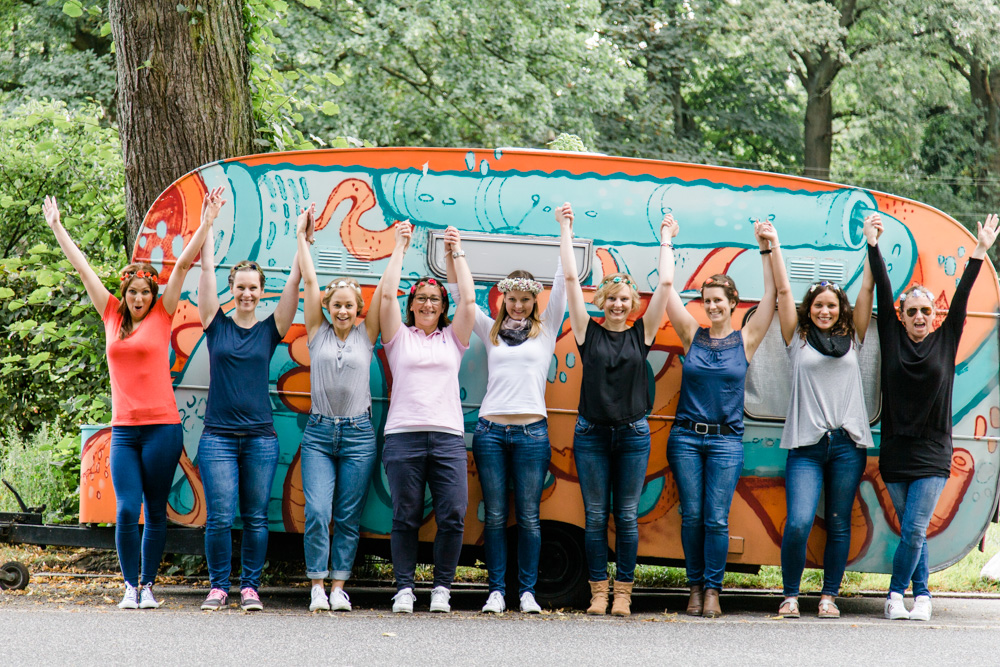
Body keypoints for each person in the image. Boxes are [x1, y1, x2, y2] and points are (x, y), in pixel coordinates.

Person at [43, 192, 217, 610]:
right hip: (124, 429)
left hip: (162, 428)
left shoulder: (163, 313)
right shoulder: (110, 314)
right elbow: (82, 269)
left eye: (144, 292)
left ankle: (148, 586)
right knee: (126, 509)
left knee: (155, 510)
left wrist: (207, 220)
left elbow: (181, 266)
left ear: (152, 294)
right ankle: (128, 586)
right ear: (125, 292)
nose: (139, 298)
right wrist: (57, 227)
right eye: (133, 292)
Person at [871, 212, 999, 622]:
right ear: (902, 315)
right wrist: (873, 245)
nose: (920, 317)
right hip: (894, 452)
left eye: (926, 311)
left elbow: (961, 296)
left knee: (912, 528)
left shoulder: (946, 339)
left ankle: (894, 594)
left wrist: (979, 251)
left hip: (932, 452)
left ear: (934, 315)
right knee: (916, 529)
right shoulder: (891, 338)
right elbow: (883, 289)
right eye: (912, 312)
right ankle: (923, 595)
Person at [559, 203, 675, 617]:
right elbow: (572, 279)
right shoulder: (585, 331)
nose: (619, 305)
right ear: (603, 301)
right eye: (612, 299)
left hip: (631, 434)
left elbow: (665, 283)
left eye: (625, 299)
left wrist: (666, 238)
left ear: (632, 303)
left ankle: (623, 592)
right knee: (594, 517)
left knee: (625, 516)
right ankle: (597, 593)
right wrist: (567, 230)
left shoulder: (642, 333)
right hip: (590, 434)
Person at [446, 228, 567, 615]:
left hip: (533, 433)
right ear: (503, 300)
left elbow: (565, 279)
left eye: (525, 300)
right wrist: (455, 252)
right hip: (491, 433)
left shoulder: (547, 329)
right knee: (496, 515)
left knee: (529, 517)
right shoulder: (490, 329)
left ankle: (526, 592)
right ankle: (496, 590)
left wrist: (564, 229)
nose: (518, 306)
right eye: (512, 299)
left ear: (535, 301)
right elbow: (461, 297)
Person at [665, 219, 778, 618]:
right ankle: (694, 588)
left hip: (727, 441)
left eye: (718, 300)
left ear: (733, 303)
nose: (711, 306)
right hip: (686, 439)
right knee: (692, 516)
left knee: (715, 518)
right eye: (706, 301)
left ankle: (713, 590)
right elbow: (666, 292)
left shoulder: (746, 340)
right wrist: (667, 240)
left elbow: (774, 295)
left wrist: (767, 248)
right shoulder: (690, 334)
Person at [195, 188, 301, 612]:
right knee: (220, 518)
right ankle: (219, 587)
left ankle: (250, 588)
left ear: (261, 291)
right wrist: (209, 222)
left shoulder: (270, 328)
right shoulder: (214, 323)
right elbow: (204, 267)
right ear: (231, 288)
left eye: (253, 288)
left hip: (259, 437)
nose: (246, 294)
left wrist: (300, 239)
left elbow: (295, 282)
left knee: (257, 518)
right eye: (240, 287)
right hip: (218, 437)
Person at [771, 214, 881, 619]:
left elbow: (868, 286)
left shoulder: (854, 339)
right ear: (809, 309)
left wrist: (871, 242)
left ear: (841, 310)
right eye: (818, 305)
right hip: (806, 446)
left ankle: (829, 596)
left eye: (831, 305)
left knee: (838, 522)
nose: (824, 311)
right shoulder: (797, 338)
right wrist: (774, 243)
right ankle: (789, 596)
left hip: (848, 445)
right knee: (799, 522)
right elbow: (783, 289)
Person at [378, 222, 476, 614]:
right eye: (421, 298)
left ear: (442, 305)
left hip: (448, 436)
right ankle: (404, 588)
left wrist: (457, 251)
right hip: (403, 436)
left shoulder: (454, 339)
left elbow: (469, 303)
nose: (428, 304)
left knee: (453, 513)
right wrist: (400, 245)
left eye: (435, 299)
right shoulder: (397, 338)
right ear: (412, 304)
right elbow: (386, 293)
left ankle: (441, 589)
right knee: (405, 515)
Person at [295, 204, 387, 613]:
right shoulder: (317, 332)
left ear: (358, 308)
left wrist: (398, 247)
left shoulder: (368, 335)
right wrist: (302, 237)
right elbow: (311, 281)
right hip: (318, 433)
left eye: (350, 305)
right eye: (337, 305)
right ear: (328, 308)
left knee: (348, 516)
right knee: (316, 509)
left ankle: (338, 587)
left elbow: (386, 289)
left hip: (359, 435)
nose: (343, 311)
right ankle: (317, 584)